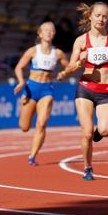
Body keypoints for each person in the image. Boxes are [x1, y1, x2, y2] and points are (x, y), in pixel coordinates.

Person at [59, 2, 108, 180]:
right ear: (90, 17)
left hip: (106, 91)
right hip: (86, 89)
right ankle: (88, 167)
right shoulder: (81, 41)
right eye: (98, 15)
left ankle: (98, 133)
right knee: (86, 132)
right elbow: (71, 67)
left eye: (104, 16)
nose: (101, 19)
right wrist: (80, 61)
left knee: (105, 130)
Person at [13, 22, 68, 166]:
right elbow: (19, 67)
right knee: (24, 127)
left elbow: (68, 68)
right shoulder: (32, 51)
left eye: (52, 31)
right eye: (46, 30)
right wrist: (20, 82)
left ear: (54, 34)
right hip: (31, 89)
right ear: (40, 33)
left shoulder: (58, 53)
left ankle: (32, 155)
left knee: (42, 123)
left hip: (46, 90)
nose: (49, 32)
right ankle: (23, 109)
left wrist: (63, 74)